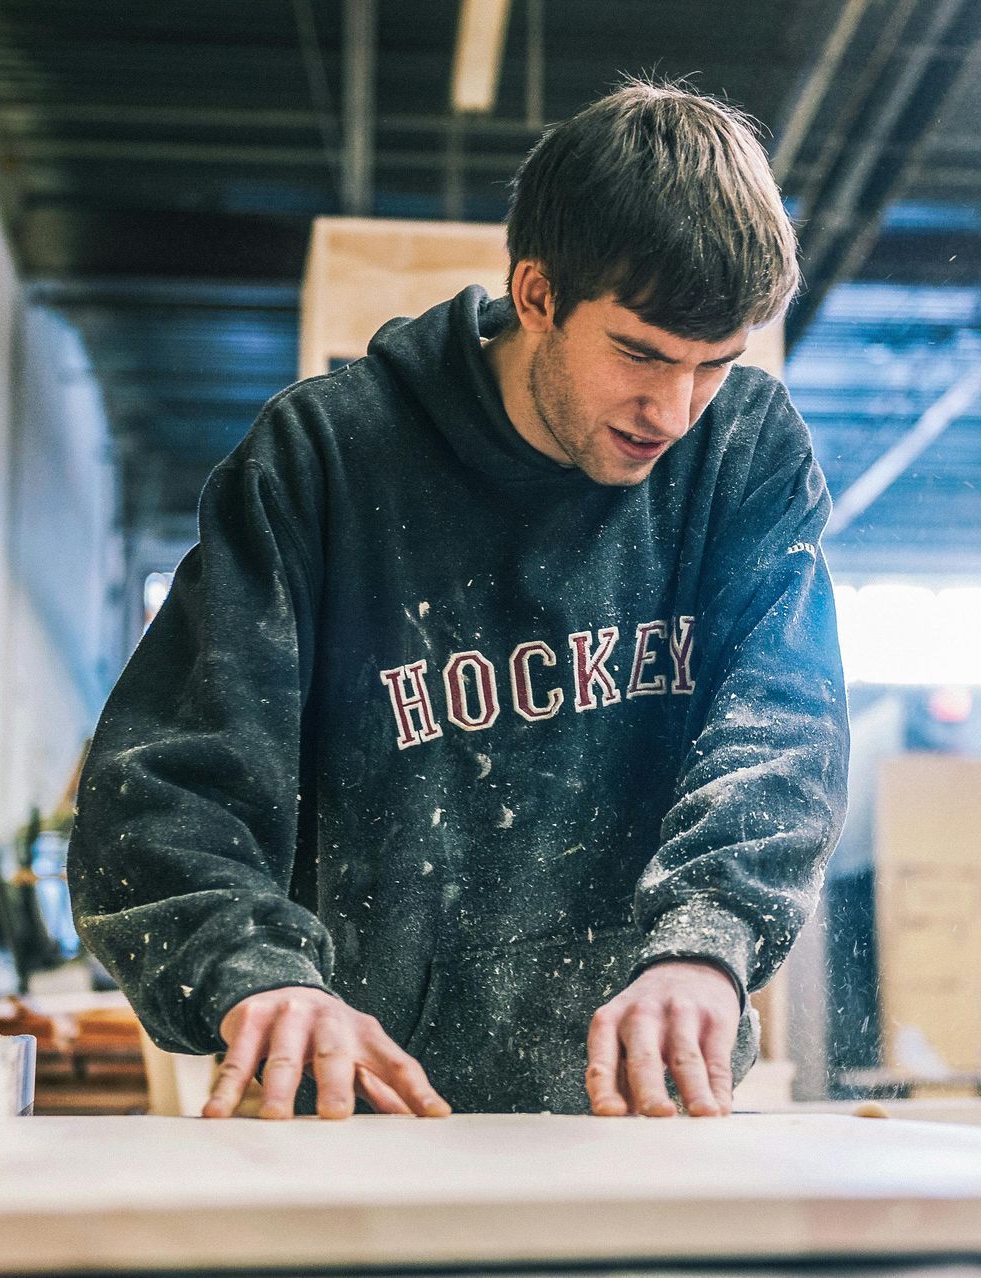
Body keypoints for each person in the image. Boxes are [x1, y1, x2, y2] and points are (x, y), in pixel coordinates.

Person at [67, 80, 850, 1120]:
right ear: (537, 294)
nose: (674, 410)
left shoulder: (743, 452)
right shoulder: (323, 464)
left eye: (714, 364)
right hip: (367, 1118)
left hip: (646, 1119)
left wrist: (707, 942)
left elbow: (783, 732)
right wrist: (261, 975)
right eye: (640, 354)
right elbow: (163, 794)